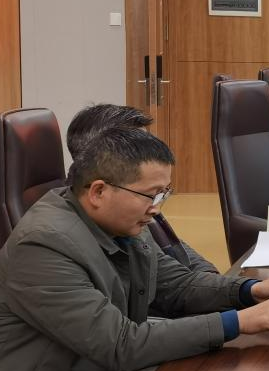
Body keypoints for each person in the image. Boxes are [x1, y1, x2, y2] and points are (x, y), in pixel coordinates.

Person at [0, 126, 269, 371]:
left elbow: (177, 286)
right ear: (98, 191)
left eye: (164, 194)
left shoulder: (123, 224)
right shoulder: (44, 245)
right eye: (151, 194)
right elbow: (120, 344)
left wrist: (247, 291)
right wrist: (237, 322)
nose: (157, 208)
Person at [66, 103, 217, 274]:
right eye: (136, 147)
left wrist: (211, 276)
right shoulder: (106, 215)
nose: (148, 152)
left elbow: (177, 248)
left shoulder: (139, 195)